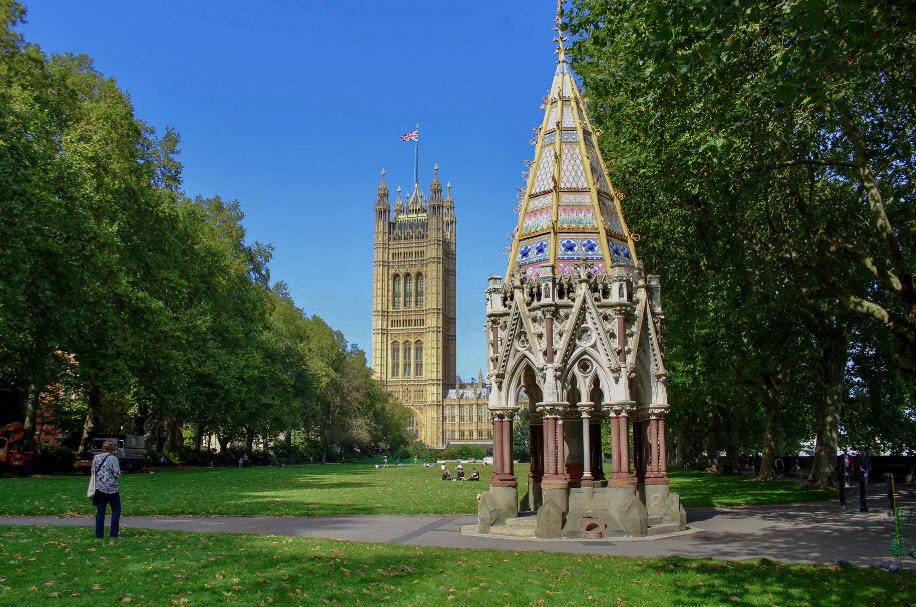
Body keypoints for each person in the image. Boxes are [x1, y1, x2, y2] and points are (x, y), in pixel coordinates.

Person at [92, 440, 122, 539]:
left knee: (100, 511)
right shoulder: (113, 458)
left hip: (99, 487)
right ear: (113, 448)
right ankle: (113, 534)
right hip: (112, 488)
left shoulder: (96, 457)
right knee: (116, 510)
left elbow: (93, 471)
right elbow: (117, 473)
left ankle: (99, 534)